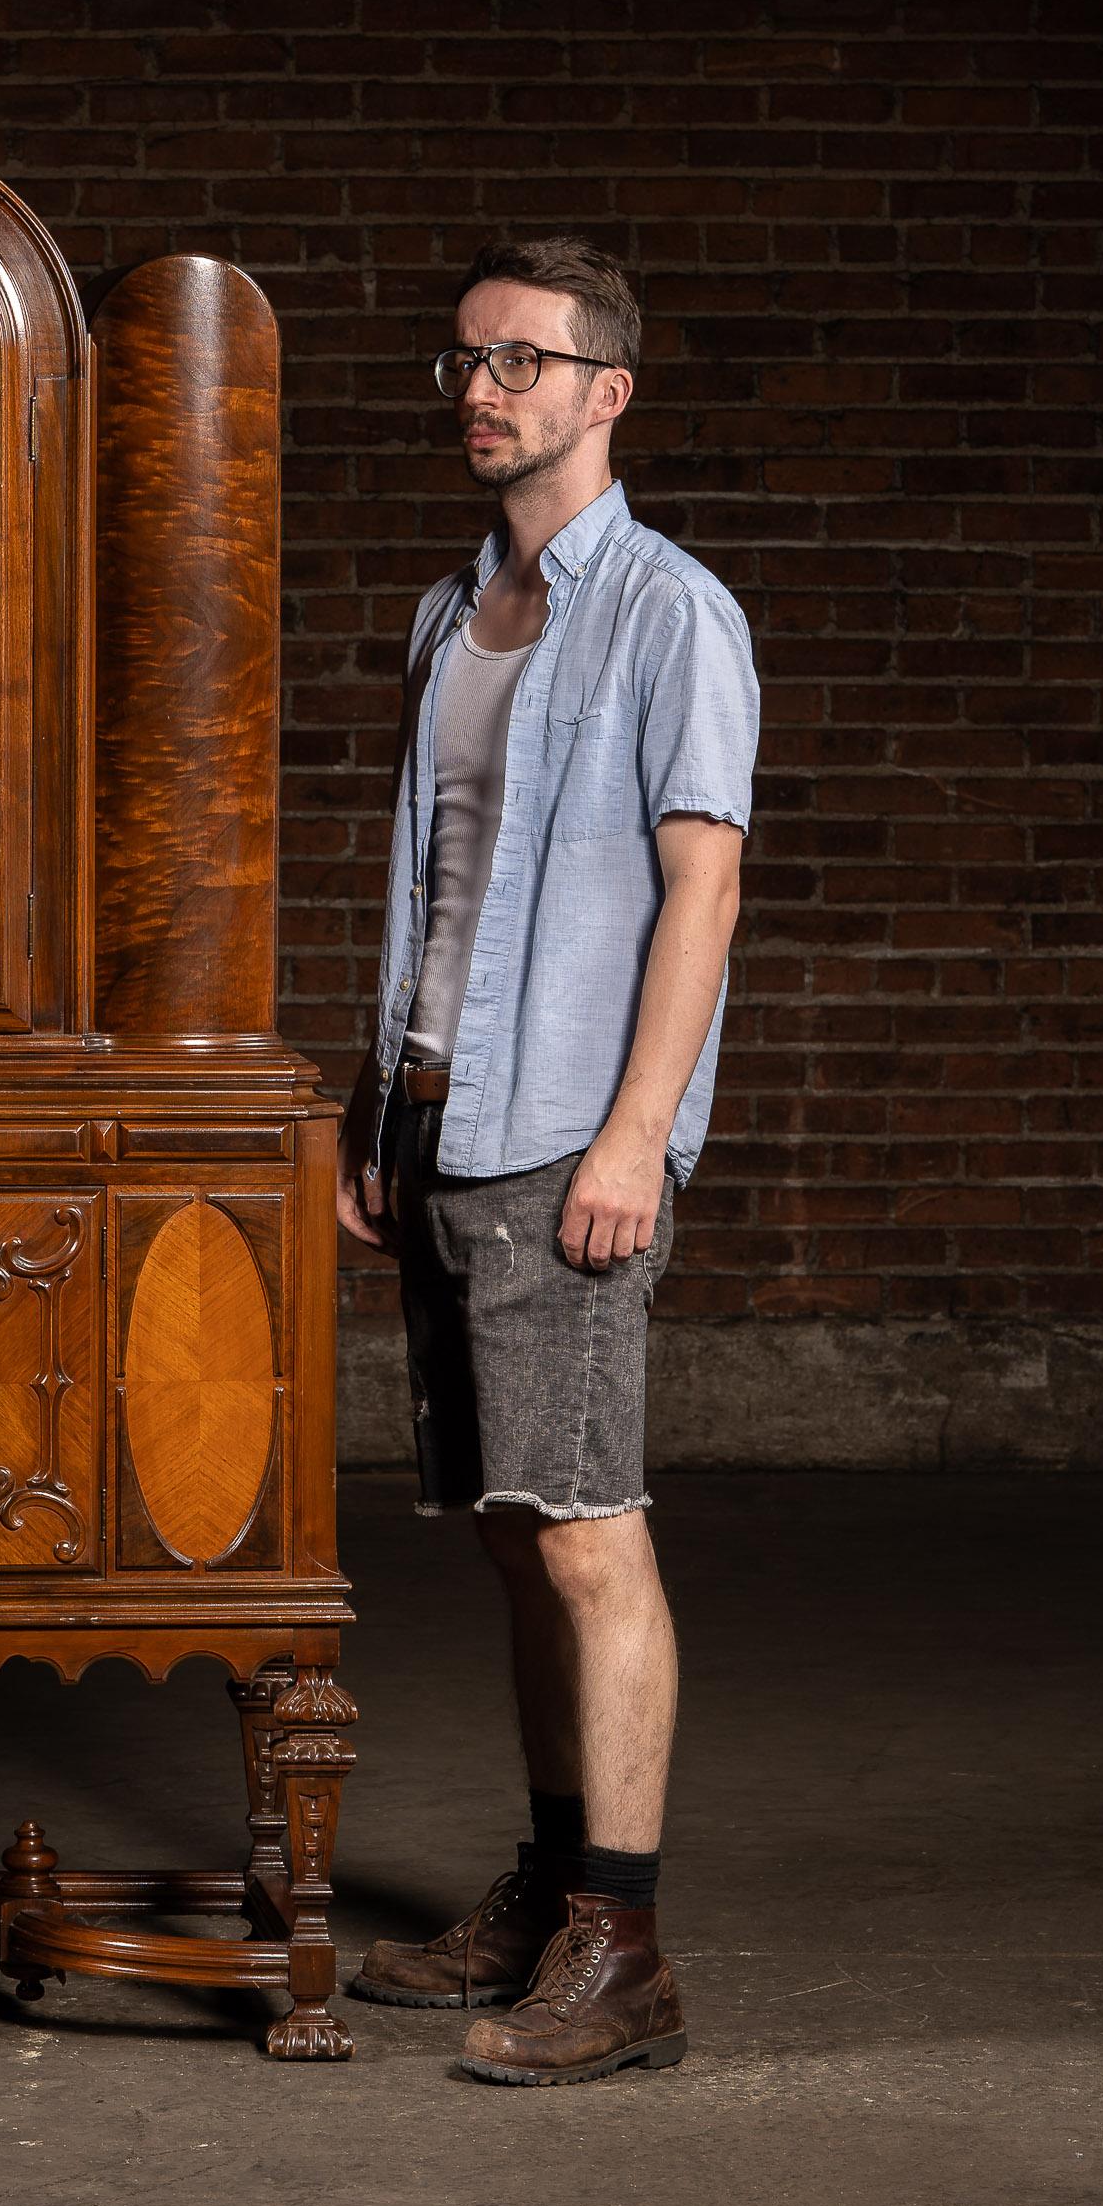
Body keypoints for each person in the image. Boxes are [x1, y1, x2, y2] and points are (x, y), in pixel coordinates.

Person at [338, 237, 757, 2085]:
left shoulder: (671, 612)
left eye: (523, 361)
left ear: (608, 392)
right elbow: (436, 892)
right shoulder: (454, 614)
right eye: (465, 362)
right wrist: (380, 1106)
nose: (484, 389)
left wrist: (639, 1139)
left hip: (571, 1140)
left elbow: (704, 889)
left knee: (590, 1533)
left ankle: (627, 1946)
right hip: (445, 1121)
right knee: (514, 1533)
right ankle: (548, 1875)